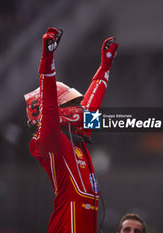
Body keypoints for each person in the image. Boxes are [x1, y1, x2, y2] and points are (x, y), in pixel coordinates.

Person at [24, 27, 118, 233]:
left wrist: (105, 66)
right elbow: (48, 104)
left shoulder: (79, 139)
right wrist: (47, 59)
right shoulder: (50, 142)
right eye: (70, 103)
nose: (77, 108)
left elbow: (91, 108)